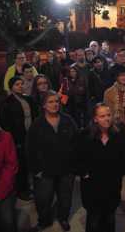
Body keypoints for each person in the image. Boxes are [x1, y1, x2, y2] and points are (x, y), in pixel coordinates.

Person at [27, 91, 78, 232]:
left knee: (65, 198)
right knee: (43, 200)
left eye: (56, 101)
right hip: (45, 171)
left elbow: (77, 143)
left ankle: (63, 218)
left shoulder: (68, 120)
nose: (55, 104)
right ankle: (44, 221)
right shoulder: (37, 124)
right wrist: (36, 170)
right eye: (50, 102)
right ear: (44, 105)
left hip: (66, 170)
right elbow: (30, 149)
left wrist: (75, 166)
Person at [77, 104, 125, 232]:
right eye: (102, 116)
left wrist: (119, 173)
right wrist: (84, 173)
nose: (107, 118)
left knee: (109, 217)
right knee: (94, 220)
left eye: (108, 115)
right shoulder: (85, 136)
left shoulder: (118, 134)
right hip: (92, 187)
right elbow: (76, 158)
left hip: (111, 185)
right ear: (95, 119)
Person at [0, 76, 38, 201]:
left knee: (31, 163)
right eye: (17, 84)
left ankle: (32, 186)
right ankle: (22, 190)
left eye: (22, 83)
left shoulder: (28, 99)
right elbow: (5, 123)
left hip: (31, 136)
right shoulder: (6, 102)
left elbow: (35, 116)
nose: (20, 86)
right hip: (18, 139)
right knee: (21, 166)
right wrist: (14, 140)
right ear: (11, 87)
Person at [103, 67, 125, 190]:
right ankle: (115, 177)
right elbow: (106, 112)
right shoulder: (108, 92)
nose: (124, 77)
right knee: (115, 155)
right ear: (117, 77)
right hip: (114, 128)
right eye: (122, 75)